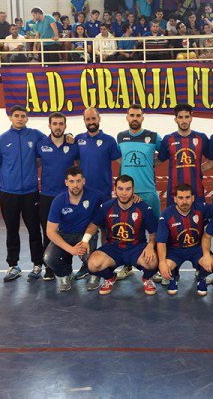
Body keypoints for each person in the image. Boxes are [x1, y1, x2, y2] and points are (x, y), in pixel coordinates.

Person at [0, 106, 46, 282]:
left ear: (27, 118)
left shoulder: (35, 135)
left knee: (34, 230)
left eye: (23, 116)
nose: (20, 118)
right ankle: (13, 265)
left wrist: (68, 137)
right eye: (16, 116)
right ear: (10, 118)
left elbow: (52, 142)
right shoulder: (1, 140)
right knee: (12, 230)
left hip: (30, 193)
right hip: (8, 194)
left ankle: (37, 264)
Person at [85, 175, 159, 296]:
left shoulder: (144, 208)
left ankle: (147, 278)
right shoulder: (107, 207)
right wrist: (84, 240)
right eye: (120, 188)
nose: (124, 193)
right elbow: (93, 225)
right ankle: (110, 277)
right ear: (115, 189)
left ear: (133, 190)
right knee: (92, 264)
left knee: (153, 261)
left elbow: (154, 233)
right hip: (113, 248)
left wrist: (150, 245)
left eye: (128, 189)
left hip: (137, 248)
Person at [74, 107, 121, 288]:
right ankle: (87, 265)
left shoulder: (109, 140)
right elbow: (74, 160)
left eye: (94, 118)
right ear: (84, 121)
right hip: (84, 195)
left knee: (106, 231)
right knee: (86, 232)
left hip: (104, 195)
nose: (91, 122)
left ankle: (106, 263)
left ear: (99, 119)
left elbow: (121, 162)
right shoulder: (78, 140)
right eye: (88, 119)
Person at [44, 166, 107, 292]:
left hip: (86, 235)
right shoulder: (58, 201)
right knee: (49, 258)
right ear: (66, 182)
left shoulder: (96, 196)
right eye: (72, 181)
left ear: (83, 181)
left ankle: (95, 274)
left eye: (78, 181)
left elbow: (114, 205)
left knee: (90, 258)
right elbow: (50, 231)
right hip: (65, 234)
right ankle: (66, 274)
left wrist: (132, 199)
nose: (75, 185)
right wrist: (71, 249)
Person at [34, 112, 80, 282]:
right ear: (49, 125)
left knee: (66, 233)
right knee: (48, 233)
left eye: (61, 124)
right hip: (47, 196)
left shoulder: (73, 145)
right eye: (55, 123)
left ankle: (66, 268)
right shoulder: (41, 145)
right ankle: (49, 269)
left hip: (68, 197)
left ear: (65, 126)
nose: (58, 127)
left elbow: (79, 166)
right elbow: (36, 163)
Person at [156, 184, 213, 296]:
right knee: (163, 265)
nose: (184, 201)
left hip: (197, 248)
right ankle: (173, 277)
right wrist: (162, 262)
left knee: (211, 263)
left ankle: (201, 277)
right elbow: (161, 242)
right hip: (175, 250)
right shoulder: (166, 215)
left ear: (193, 198)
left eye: (187, 197)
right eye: (180, 198)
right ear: (175, 199)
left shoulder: (201, 208)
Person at [158, 104, 211, 206]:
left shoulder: (202, 138)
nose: (184, 120)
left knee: (199, 216)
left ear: (191, 118)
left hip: (196, 191)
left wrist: (196, 169)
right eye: (180, 117)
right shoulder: (168, 139)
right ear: (175, 119)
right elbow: (159, 160)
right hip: (174, 192)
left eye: (186, 117)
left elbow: (212, 161)